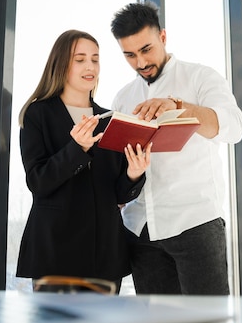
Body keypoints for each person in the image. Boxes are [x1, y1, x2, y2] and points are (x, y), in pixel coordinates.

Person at [109, 2, 242, 295]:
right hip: (140, 231)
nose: (140, 62)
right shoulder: (123, 98)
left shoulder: (200, 77)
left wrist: (180, 109)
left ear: (163, 37)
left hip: (194, 224)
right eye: (130, 55)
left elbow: (235, 127)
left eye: (146, 49)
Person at [16, 29, 152, 292]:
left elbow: (119, 194)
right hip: (55, 251)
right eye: (80, 59)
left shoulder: (111, 119)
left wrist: (134, 174)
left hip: (105, 254)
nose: (90, 66)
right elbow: (38, 182)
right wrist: (76, 148)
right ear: (61, 64)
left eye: (95, 59)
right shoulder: (38, 113)